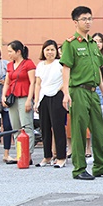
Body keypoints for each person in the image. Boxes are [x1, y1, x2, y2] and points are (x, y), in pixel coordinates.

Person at [60, 6, 103, 180]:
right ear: (75, 22)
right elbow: (66, 68)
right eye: (84, 19)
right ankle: (79, 168)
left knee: (98, 128)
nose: (88, 22)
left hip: (92, 91)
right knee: (79, 129)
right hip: (78, 91)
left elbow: (97, 70)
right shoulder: (70, 44)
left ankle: (100, 166)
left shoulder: (92, 44)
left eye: (90, 18)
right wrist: (66, 92)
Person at [33, 40, 67, 168]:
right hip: (44, 97)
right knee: (45, 128)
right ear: (43, 51)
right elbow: (38, 83)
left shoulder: (60, 64)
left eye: (52, 49)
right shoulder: (40, 65)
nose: (50, 52)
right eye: (47, 49)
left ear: (56, 51)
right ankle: (47, 156)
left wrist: (60, 90)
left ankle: (61, 157)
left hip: (57, 96)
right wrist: (36, 101)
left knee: (58, 127)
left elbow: (67, 79)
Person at [1, 40, 36, 160]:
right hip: (12, 98)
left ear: (18, 51)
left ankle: (28, 153)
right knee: (16, 127)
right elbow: (7, 82)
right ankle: (19, 153)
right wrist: (3, 96)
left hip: (24, 97)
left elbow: (32, 83)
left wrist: (29, 99)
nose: (9, 54)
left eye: (10, 51)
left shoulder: (28, 64)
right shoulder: (10, 65)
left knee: (26, 126)